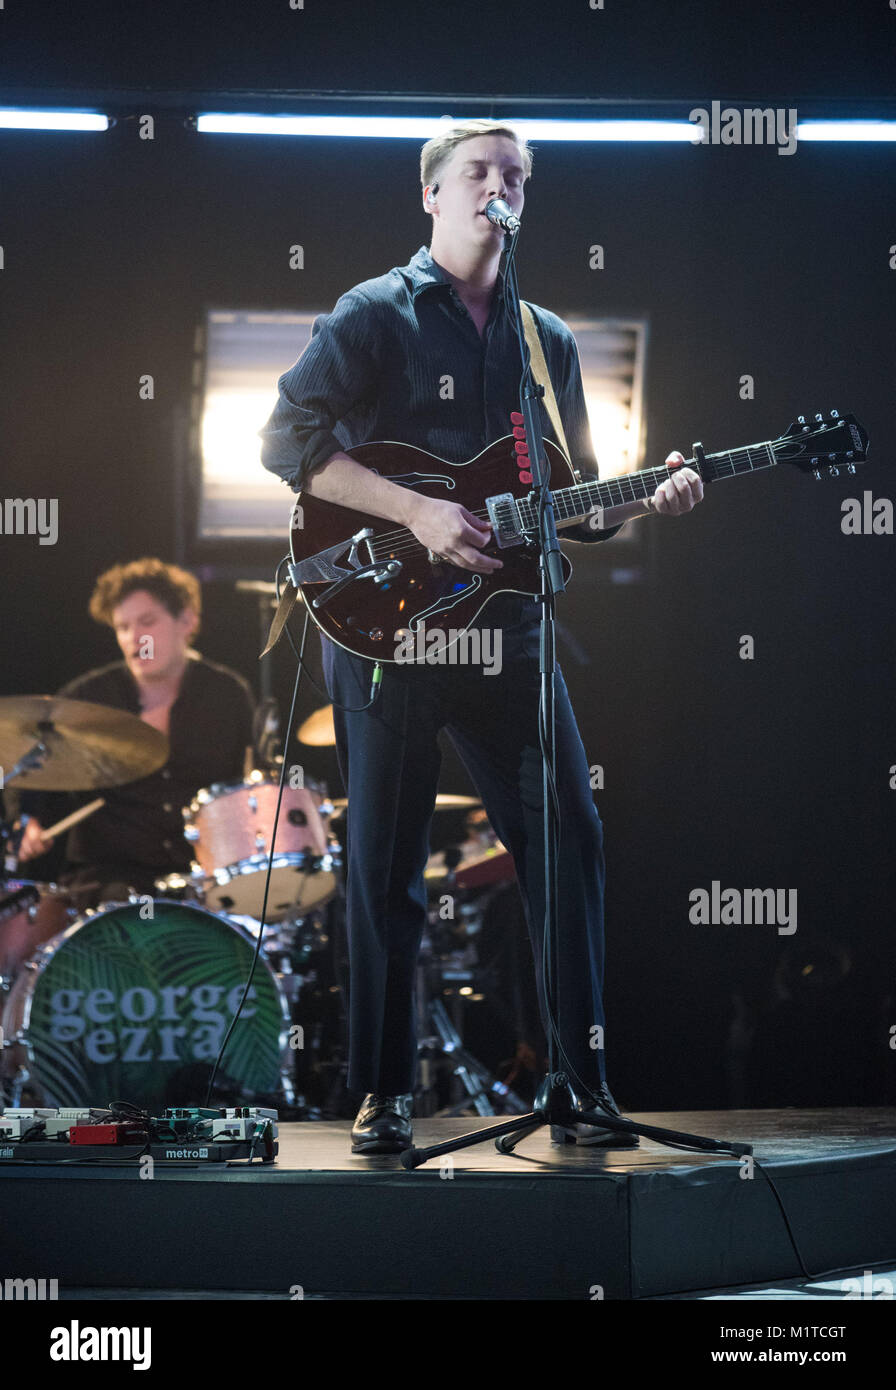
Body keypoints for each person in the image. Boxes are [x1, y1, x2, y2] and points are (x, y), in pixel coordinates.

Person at [259, 119, 704, 1153]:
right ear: (433, 194)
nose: (497, 186)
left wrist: (651, 498)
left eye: (514, 175)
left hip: (506, 627)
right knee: (383, 863)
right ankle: (380, 1093)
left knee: (569, 841)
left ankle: (579, 1078)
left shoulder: (543, 340)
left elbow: (573, 497)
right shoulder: (374, 313)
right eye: (477, 171)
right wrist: (415, 513)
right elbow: (286, 441)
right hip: (383, 627)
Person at [13, 558, 256, 916]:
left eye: (147, 622)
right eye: (122, 627)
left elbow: (251, 790)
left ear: (186, 621)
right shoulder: (87, 698)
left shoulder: (228, 694)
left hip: (204, 874)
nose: (133, 638)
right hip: (108, 878)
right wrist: (26, 820)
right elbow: (27, 763)